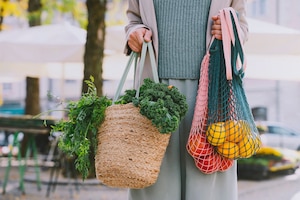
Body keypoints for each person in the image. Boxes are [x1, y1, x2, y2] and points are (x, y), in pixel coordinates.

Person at [124, 1, 248, 200]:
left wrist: (230, 30)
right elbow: (133, 20)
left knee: (208, 186)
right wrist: (135, 32)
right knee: (153, 184)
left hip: (212, 92)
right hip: (156, 93)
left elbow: (242, 26)